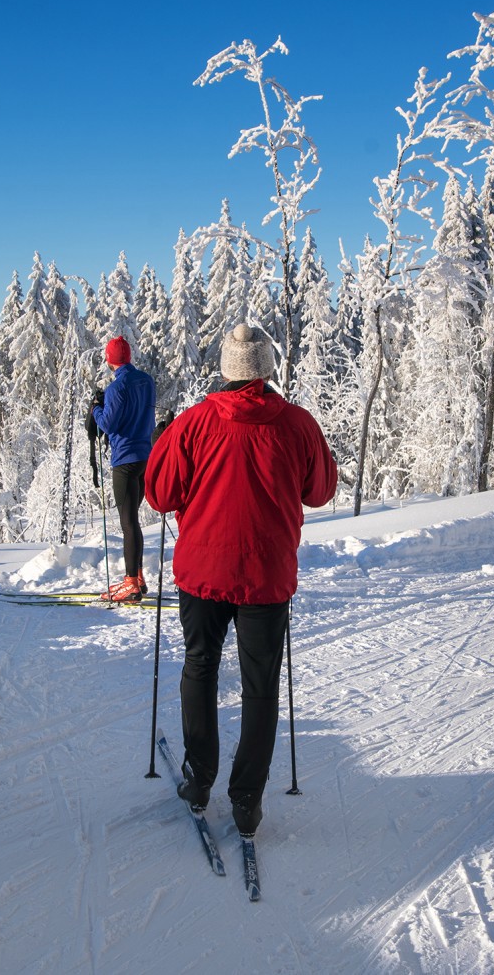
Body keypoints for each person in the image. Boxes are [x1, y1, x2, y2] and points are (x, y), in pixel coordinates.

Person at [144, 324, 337, 839]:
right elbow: (321, 491)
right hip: (267, 577)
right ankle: (248, 799)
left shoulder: (193, 424)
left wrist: (167, 443)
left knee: (200, 667)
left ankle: (199, 777)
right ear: (267, 369)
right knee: (260, 684)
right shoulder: (297, 425)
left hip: (203, 573)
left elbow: (159, 496)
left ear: (227, 370)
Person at [89, 336, 156, 602]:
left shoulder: (117, 387)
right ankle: (137, 578)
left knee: (128, 523)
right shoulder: (146, 381)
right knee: (134, 522)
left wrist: (96, 409)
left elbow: (108, 424)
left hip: (125, 460)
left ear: (109, 360)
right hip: (145, 457)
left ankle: (131, 583)